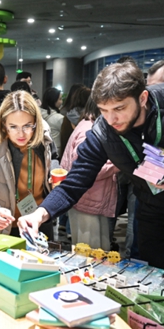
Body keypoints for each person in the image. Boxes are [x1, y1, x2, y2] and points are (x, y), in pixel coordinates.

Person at [18, 62, 164, 289]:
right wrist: (41, 213)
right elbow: (76, 181)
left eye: (119, 108)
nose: (111, 119)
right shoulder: (103, 132)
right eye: (103, 110)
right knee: (153, 278)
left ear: (142, 98)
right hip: (153, 204)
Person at [0, 91, 57, 239]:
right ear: (4, 125)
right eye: (13, 127)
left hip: (40, 220)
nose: (21, 134)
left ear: (35, 123)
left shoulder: (43, 137)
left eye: (27, 126)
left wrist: (55, 171)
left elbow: (53, 158)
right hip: (7, 227)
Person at [61, 97, 118, 250]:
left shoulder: (88, 125)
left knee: (91, 252)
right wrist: (117, 164)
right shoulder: (89, 129)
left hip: (90, 199)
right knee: (91, 253)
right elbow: (83, 169)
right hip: (87, 200)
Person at [40, 87, 64, 157]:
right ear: (53, 100)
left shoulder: (37, 114)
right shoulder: (59, 118)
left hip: (41, 151)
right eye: (60, 99)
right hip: (55, 152)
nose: (62, 102)